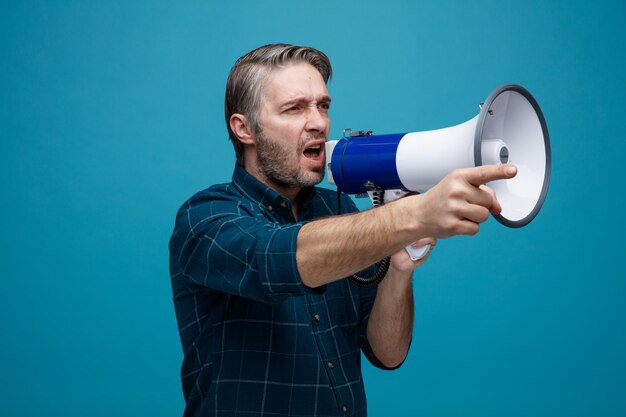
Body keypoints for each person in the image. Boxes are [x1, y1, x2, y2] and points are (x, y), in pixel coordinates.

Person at [169, 43, 517, 417]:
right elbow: (278, 257)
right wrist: (412, 215)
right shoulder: (205, 218)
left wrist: (399, 267)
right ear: (244, 129)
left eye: (323, 105)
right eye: (295, 108)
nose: (318, 122)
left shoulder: (340, 209)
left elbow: (387, 353)